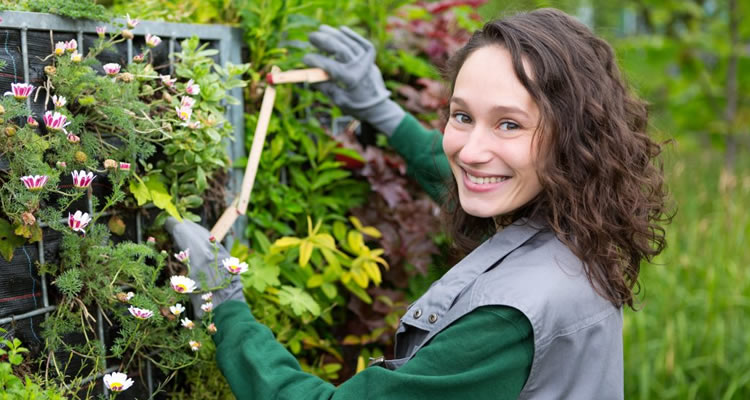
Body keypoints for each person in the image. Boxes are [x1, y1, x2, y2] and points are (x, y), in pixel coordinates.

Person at [166, 8, 670, 399]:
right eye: (461, 115)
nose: (470, 150)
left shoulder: (505, 323)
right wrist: (383, 113)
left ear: (573, 137)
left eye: (509, 123)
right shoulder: (576, 226)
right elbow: (471, 173)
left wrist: (222, 302)